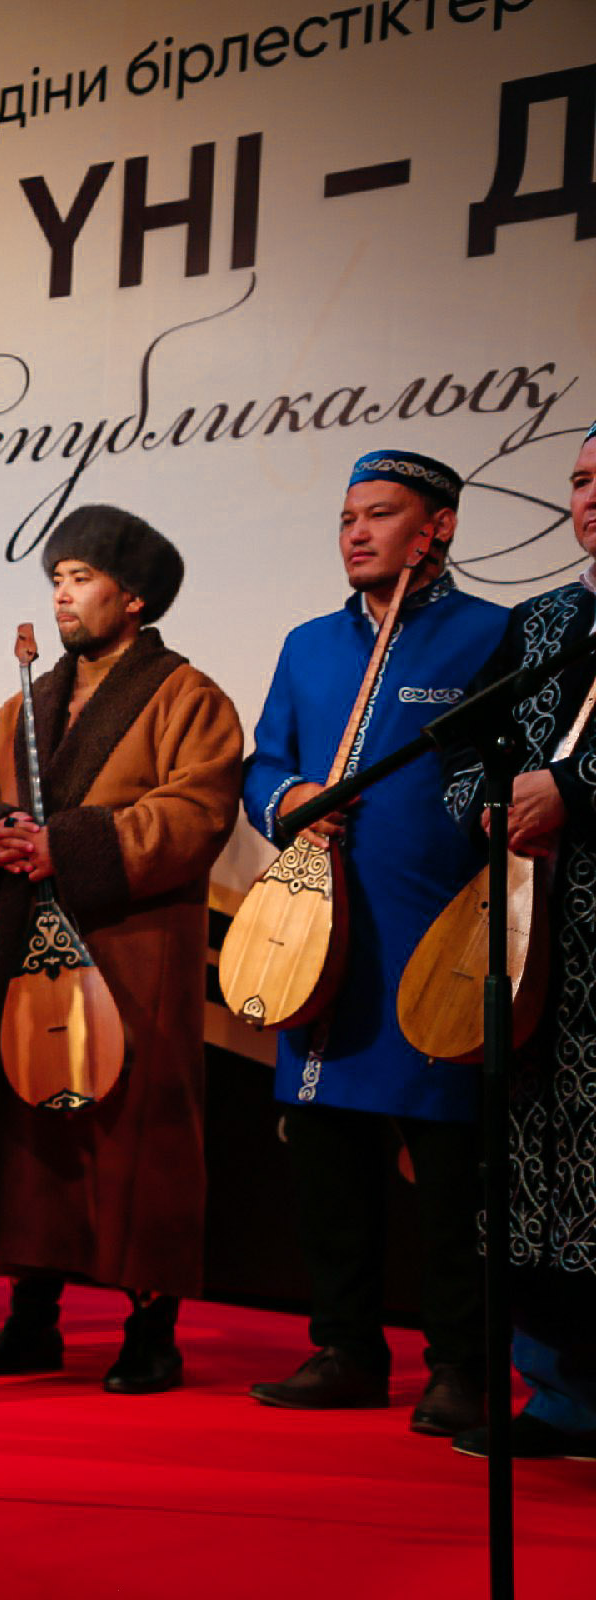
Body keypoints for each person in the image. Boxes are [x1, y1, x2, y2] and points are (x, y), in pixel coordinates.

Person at [0, 505, 242, 1393]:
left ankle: (152, 1329)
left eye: (82, 580)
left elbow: (196, 810)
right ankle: (31, 1317)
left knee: (136, 1134)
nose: (63, 596)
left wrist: (67, 846)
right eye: (57, 580)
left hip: (132, 947)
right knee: (29, 1128)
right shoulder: (26, 703)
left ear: (135, 597)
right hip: (28, 942)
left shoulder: (189, 698)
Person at [242, 451, 505, 1437]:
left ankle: (461, 1366)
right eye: (348, 516)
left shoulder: (495, 635)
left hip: (434, 937)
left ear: (438, 528)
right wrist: (291, 799)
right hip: (316, 942)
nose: (356, 532)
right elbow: (263, 763)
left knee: (449, 1171)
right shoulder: (308, 644)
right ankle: (346, 1347)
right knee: (326, 1157)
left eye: (381, 514)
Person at [439, 418, 596, 1461]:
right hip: (536, 940)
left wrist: (574, 789)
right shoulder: (545, 622)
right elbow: (465, 743)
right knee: (532, 1170)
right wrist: (489, 806)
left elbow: (565, 777)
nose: (590, 497)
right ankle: (560, 1394)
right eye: (579, 481)